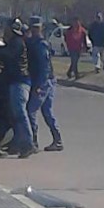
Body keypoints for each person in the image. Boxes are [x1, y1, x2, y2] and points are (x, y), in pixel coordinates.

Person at [0, 18, 36, 158]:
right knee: (15, 115)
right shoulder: (13, 43)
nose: (4, 31)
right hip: (15, 81)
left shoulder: (17, 43)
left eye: (6, 29)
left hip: (20, 82)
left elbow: (7, 55)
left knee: (20, 114)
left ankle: (28, 144)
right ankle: (18, 144)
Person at [26, 20, 63, 152]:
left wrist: (39, 85)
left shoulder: (40, 45)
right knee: (47, 111)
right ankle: (57, 140)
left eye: (36, 28)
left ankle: (33, 142)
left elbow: (44, 67)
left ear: (40, 29)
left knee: (31, 111)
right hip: (47, 80)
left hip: (44, 81)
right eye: (32, 28)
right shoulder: (33, 42)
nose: (34, 30)